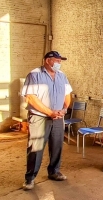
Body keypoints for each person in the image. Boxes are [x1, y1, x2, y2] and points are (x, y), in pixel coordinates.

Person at [21, 51, 72, 190]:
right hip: (39, 117)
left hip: (58, 117)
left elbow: (67, 95)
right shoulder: (34, 75)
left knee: (57, 146)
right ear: (47, 60)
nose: (59, 63)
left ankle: (54, 172)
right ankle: (30, 178)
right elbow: (30, 97)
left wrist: (64, 109)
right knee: (35, 148)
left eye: (60, 61)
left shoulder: (62, 76)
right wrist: (50, 112)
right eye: (57, 60)